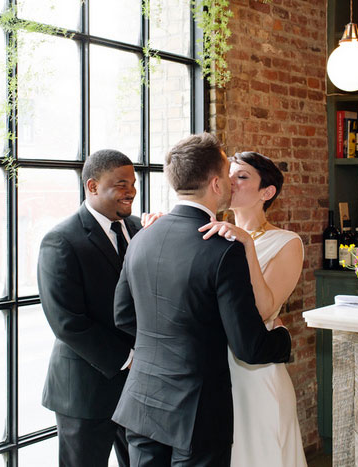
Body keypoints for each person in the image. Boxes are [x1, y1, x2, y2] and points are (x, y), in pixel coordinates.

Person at [112, 133, 292, 466]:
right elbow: (249, 347)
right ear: (214, 184)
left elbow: (123, 316)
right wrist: (282, 338)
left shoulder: (141, 237)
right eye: (227, 175)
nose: (230, 183)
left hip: (142, 404)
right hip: (196, 414)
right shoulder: (224, 250)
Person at [198, 151, 306, 467]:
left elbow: (263, 309)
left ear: (267, 192)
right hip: (217, 369)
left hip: (256, 374)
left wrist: (246, 246)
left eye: (242, 176)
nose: (231, 181)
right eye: (229, 174)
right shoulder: (212, 233)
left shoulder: (287, 242)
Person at [37, 149, 140, 467]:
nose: (132, 191)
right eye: (121, 184)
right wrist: (127, 359)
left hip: (138, 387)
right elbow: (67, 321)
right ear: (92, 186)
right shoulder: (61, 240)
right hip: (84, 391)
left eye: (133, 183)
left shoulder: (139, 229)